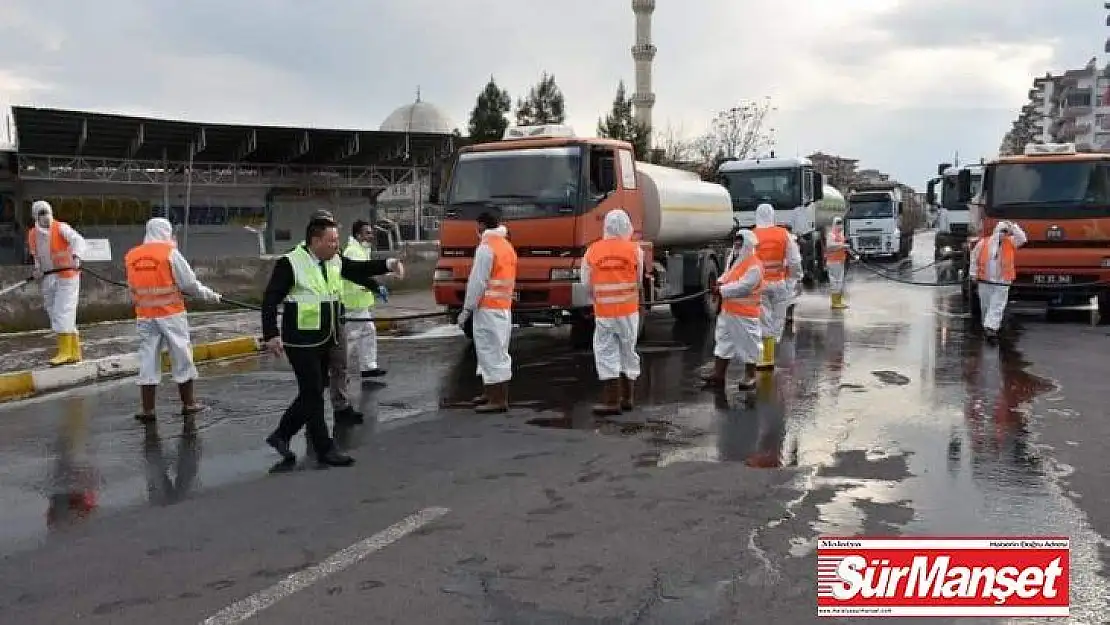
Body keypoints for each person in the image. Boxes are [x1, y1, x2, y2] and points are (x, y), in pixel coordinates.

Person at [261, 216, 402, 469]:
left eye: (337, 240)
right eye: (331, 241)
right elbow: (270, 299)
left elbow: (357, 270)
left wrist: (388, 264)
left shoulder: (334, 260)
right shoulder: (291, 262)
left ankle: (282, 435)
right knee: (313, 391)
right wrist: (271, 334)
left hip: (327, 335)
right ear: (315, 241)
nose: (336, 245)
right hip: (301, 339)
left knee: (313, 392)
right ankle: (323, 447)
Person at [124, 218, 223, 423]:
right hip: (171, 314)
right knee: (181, 356)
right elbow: (189, 284)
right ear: (165, 231)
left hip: (145, 315)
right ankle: (188, 404)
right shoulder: (169, 253)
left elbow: (132, 290)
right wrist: (210, 295)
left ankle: (148, 409)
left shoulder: (132, 255)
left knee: (148, 359)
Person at [581, 208, 643, 415]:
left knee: (606, 353)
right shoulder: (635, 250)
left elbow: (586, 284)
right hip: (629, 311)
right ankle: (627, 398)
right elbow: (638, 280)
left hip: (605, 313)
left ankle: (611, 402)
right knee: (628, 351)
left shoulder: (592, 250)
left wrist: (596, 299)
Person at [458, 212, 517, 413]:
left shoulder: (486, 248)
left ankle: (498, 399)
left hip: (488, 309)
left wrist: (466, 310)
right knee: (494, 351)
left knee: (491, 352)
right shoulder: (506, 246)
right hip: (502, 308)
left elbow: (477, 282)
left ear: (482, 225)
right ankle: (490, 392)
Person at [702, 229, 765, 390]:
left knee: (749, 345)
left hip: (745, 314)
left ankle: (750, 376)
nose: (736, 244)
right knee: (723, 342)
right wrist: (719, 283)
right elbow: (728, 275)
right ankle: (718, 374)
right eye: (736, 241)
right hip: (728, 311)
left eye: (740, 242)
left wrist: (722, 290)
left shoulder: (754, 265)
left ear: (747, 244)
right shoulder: (734, 259)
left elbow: (744, 287)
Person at [27, 200, 87, 366]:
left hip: (67, 275)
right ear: (35, 217)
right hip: (49, 277)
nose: (45, 217)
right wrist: (37, 269)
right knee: (54, 311)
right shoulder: (33, 234)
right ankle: (75, 352)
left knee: (63, 311)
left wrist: (76, 256)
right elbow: (36, 256)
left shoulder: (61, 227)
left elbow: (78, 240)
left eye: (46, 212)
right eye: (41, 214)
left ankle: (65, 352)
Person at [752, 203, 803, 370]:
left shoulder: (752, 235)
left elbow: (745, 262)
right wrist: (794, 279)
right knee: (778, 319)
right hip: (779, 283)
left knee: (763, 319)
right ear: (773, 216)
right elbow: (794, 261)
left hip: (760, 285)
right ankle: (770, 354)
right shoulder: (783, 234)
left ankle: (766, 358)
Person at [342, 219, 391, 380]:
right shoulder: (353, 252)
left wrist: (375, 287)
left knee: (368, 332)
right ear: (358, 235)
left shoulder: (362, 250)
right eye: (367, 233)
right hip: (353, 303)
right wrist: (374, 286)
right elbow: (358, 274)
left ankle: (368, 367)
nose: (371, 236)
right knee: (351, 339)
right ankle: (341, 371)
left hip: (360, 302)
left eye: (371, 232)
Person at [969, 220, 1027, 341]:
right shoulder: (983, 243)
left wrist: (1013, 227)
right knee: (986, 305)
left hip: (1002, 280)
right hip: (985, 280)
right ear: (997, 231)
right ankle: (987, 326)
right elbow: (974, 258)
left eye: (1006, 232)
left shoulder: (1011, 242)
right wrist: (973, 274)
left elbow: (1023, 239)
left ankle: (992, 328)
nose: (1003, 234)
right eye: (1002, 231)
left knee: (997, 304)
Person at [825, 216, 849, 309]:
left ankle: (838, 301)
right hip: (833, 262)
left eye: (841, 223)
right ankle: (835, 302)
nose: (840, 225)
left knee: (839, 282)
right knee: (835, 282)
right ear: (834, 224)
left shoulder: (840, 235)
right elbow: (830, 246)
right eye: (838, 223)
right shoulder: (831, 234)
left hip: (840, 261)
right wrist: (842, 245)